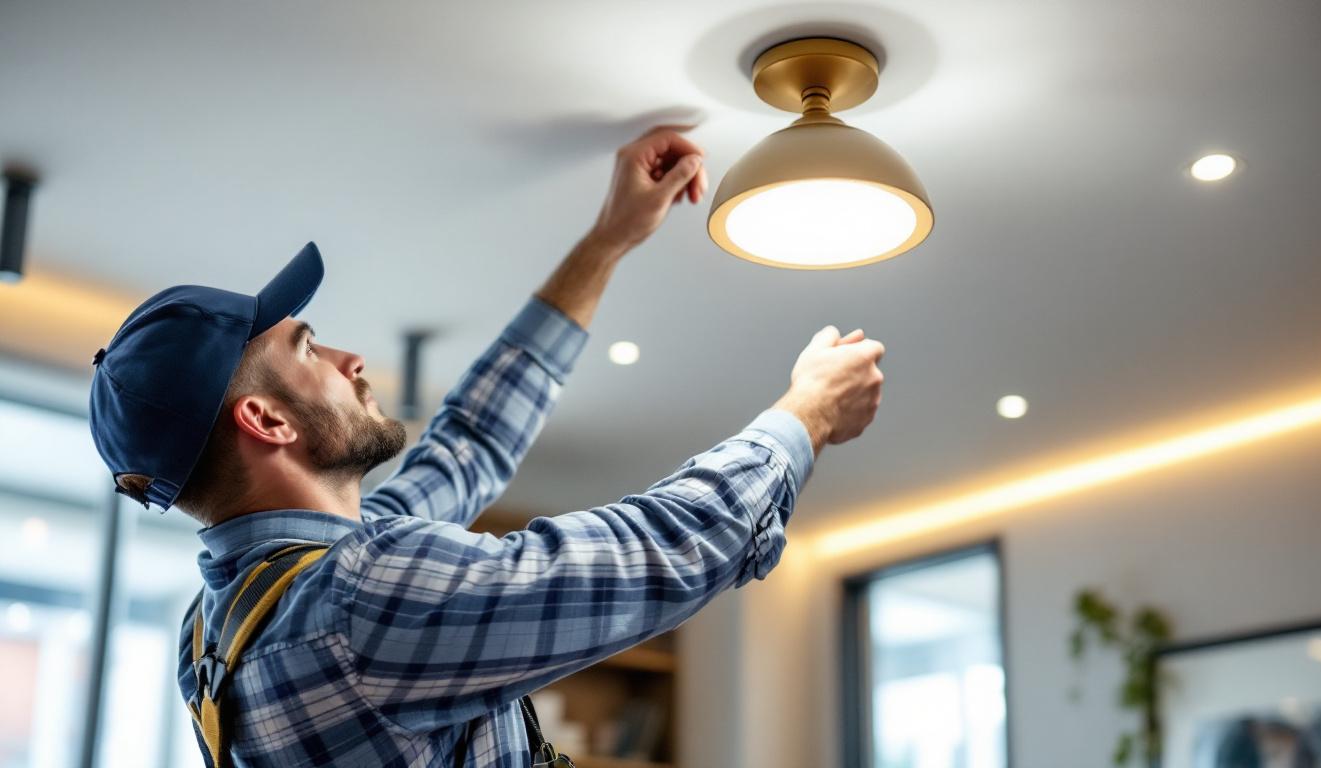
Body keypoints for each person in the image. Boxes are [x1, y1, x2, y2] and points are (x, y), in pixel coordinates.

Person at [87, 126, 885, 766]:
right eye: (308, 347)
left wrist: (607, 241)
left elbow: (468, 445)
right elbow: (660, 552)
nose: (349, 359)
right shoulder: (359, 603)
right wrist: (806, 414)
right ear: (268, 422)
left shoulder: (226, 624)